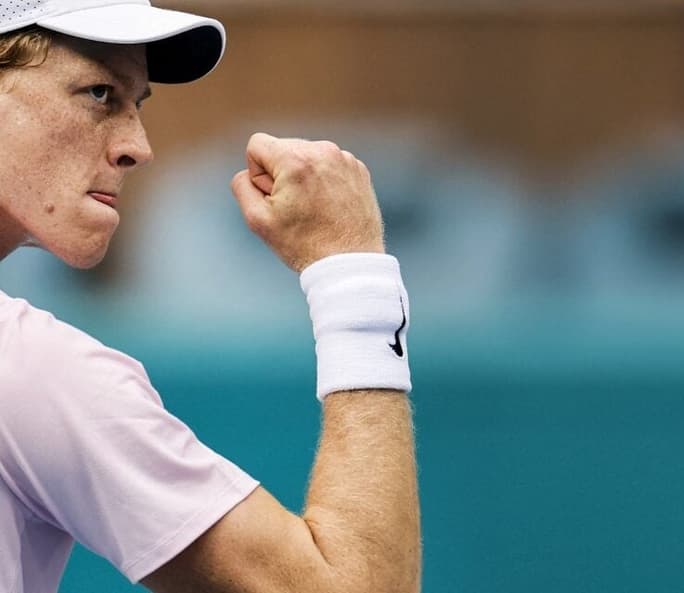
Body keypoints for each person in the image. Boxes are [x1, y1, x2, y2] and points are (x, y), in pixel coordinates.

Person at [0, 2, 420, 592]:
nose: (137, 147)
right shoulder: (29, 372)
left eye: (136, 104)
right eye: (99, 94)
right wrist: (352, 274)